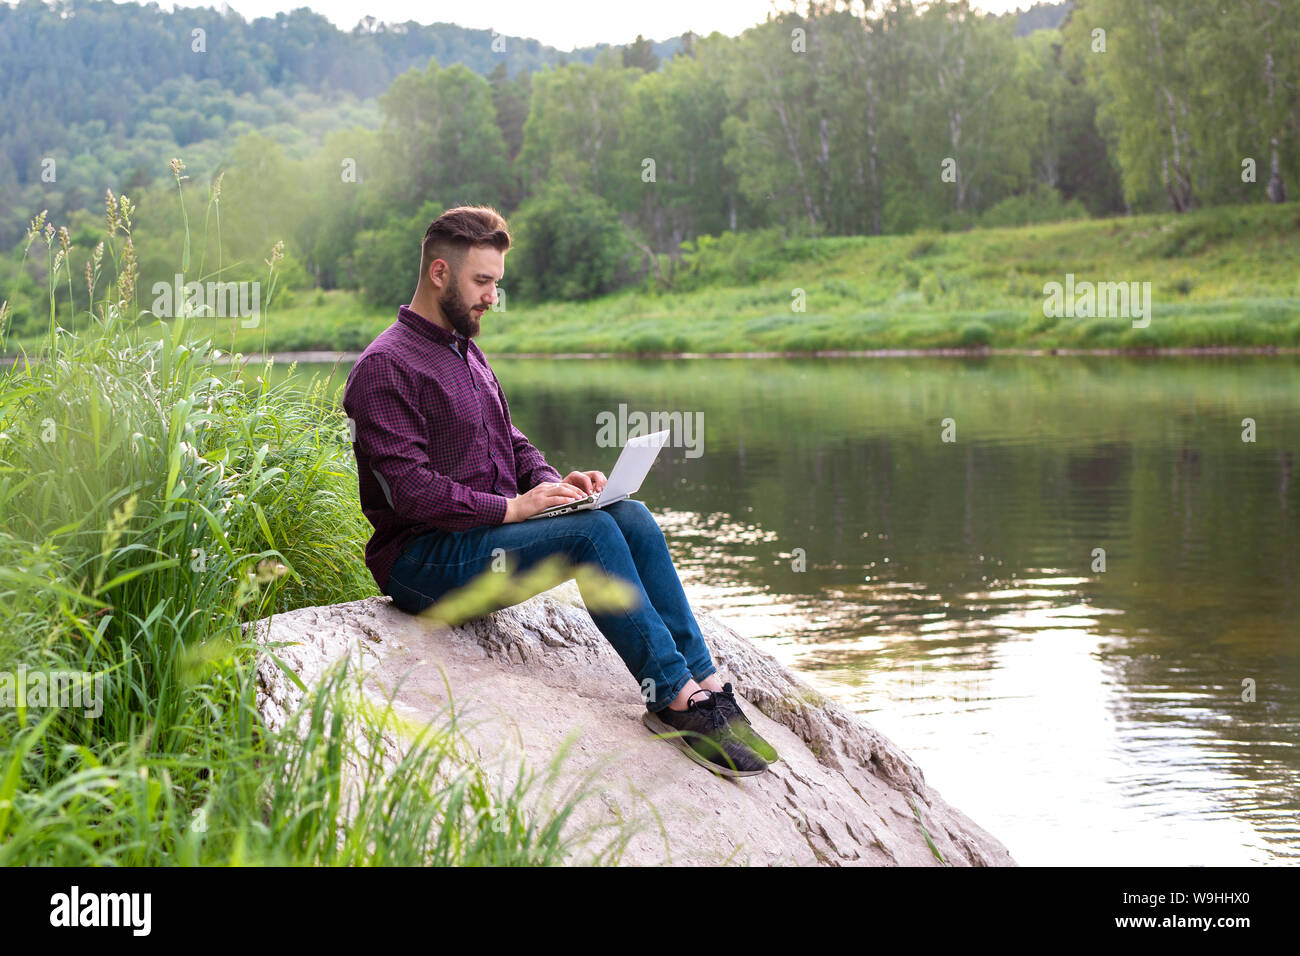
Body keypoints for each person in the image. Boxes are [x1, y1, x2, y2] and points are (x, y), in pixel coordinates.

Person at [342, 204, 777, 777]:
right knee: (590, 534)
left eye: (496, 283)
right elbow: (409, 492)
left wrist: (553, 484)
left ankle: (707, 683)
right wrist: (513, 508)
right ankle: (673, 701)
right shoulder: (385, 367)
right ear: (439, 273)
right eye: (482, 282)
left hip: (481, 541)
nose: (492, 297)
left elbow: (511, 441)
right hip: (420, 564)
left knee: (631, 516)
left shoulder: (465, 352)